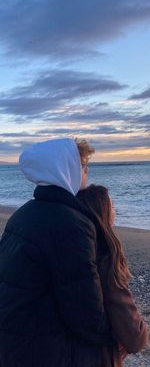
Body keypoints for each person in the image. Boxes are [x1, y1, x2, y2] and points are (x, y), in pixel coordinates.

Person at [0, 137, 114, 367]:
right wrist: (111, 338)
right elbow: (84, 305)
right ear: (67, 170)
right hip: (41, 348)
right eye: (82, 167)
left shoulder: (23, 214)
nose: (86, 172)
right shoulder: (71, 224)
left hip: (13, 338)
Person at [77, 184, 149, 367]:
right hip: (98, 356)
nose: (115, 210)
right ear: (103, 213)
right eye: (113, 206)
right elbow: (135, 338)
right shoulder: (105, 257)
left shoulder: (76, 250)